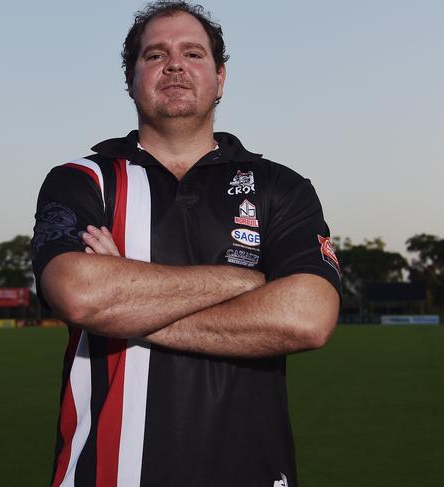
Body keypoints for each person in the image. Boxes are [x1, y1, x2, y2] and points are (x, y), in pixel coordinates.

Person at [31, 2, 341, 486]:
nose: (174, 64)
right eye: (155, 55)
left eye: (192, 53)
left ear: (220, 77)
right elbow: (81, 295)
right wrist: (247, 282)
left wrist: (127, 307)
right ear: (130, 79)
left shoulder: (281, 186)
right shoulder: (82, 180)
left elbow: (308, 318)